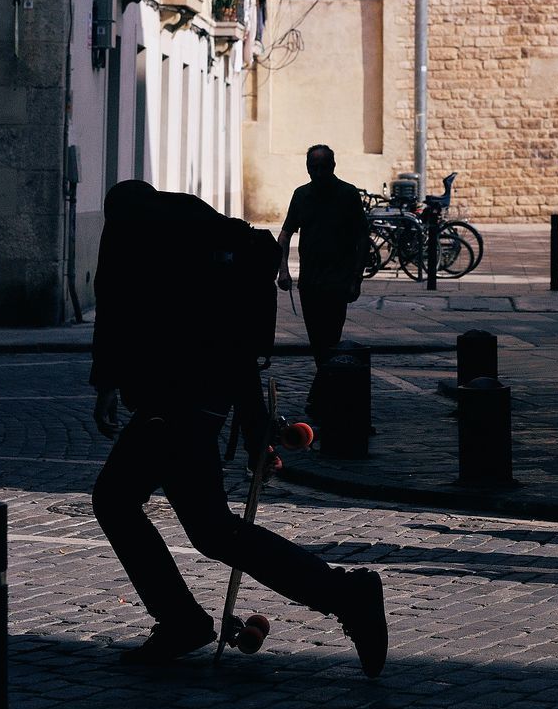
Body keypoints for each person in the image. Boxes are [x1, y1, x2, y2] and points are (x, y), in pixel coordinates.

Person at [89, 179, 387, 674]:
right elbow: (236, 352)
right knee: (212, 530)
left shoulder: (137, 233)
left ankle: (188, 619)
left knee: (117, 500)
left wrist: (106, 383)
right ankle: (341, 594)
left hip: (171, 407)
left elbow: (114, 310)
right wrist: (252, 432)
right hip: (200, 404)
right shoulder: (205, 244)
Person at [277, 145, 369, 420]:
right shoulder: (301, 195)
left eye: (323, 167)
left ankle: (319, 397)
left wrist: (356, 277)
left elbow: (362, 238)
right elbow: (285, 234)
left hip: (337, 280)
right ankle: (325, 393)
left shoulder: (348, 194)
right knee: (318, 341)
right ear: (307, 167)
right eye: (313, 167)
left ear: (333, 166)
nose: (318, 173)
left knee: (331, 337)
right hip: (310, 281)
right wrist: (283, 270)